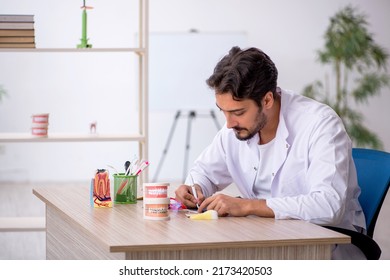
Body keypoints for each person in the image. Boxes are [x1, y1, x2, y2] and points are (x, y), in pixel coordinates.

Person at [175, 46, 367, 259]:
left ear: (267, 100)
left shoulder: (320, 124)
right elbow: (205, 171)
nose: (228, 124)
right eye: (224, 112)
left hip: (324, 246)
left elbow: (328, 206)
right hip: (264, 237)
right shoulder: (237, 127)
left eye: (237, 112)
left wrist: (249, 205)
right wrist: (196, 188)